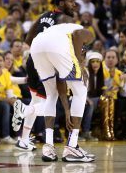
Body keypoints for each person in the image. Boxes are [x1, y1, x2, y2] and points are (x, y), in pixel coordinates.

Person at [11, 0, 77, 151]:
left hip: (33, 58)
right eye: (70, 1)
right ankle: (24, 109)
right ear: (61, 3)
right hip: (47, 62)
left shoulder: (44, 16)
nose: (74, 4)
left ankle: (23, 140)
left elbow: (28, 38)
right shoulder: (65, 20)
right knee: (50, 101)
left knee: (37, 100)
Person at [30, 21, 94, 162]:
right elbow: (79, 35)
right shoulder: (84, 32)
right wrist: (80, 64)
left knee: (50, 95)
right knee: (81, 90)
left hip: (36, 46)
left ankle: (48, 147)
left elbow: (60, 83)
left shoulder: (62, 36)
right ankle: (71, 146)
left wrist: (66, 111)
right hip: (52, 45)